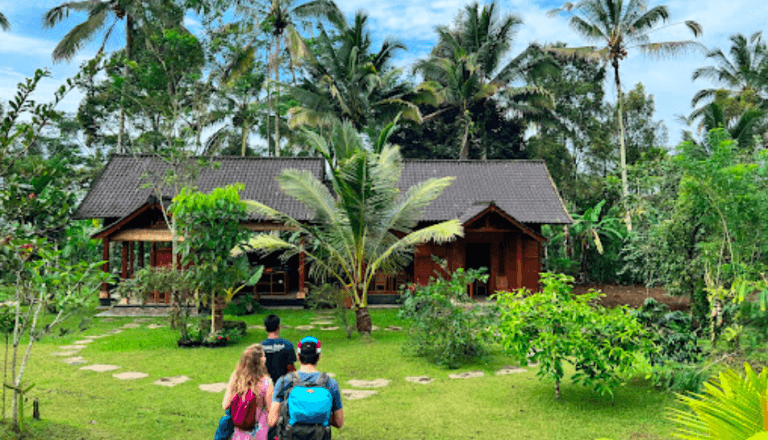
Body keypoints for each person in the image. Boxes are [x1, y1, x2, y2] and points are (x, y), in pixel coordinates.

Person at [268, 336, 343, 438]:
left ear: (298, 356)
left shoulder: (284, 382)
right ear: (319, 356)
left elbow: (272, 421)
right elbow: (339, 422)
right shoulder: (330, 383)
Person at [222, 344, 274, 440]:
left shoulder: (236, 378)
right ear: (261, 360)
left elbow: (225, 405)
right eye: (264, 356)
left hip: (240, 433)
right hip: (260, 433)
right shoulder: (266, 382)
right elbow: (271, 411)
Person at [262, 314, 297, 385]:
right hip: (283, 386)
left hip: (265, 386)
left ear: (265, 328)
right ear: (279, 327)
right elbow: (291, 369)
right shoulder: (287, 345)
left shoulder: (259, 347)